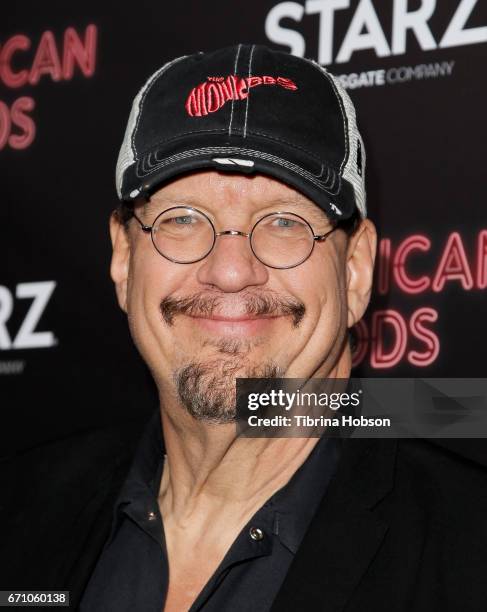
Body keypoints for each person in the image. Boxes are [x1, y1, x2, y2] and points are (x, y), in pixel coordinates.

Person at [2, 44, 486, 612]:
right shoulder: (18, 507)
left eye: (283, 221)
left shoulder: (469, 552)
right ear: (123, 259)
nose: (230, 272)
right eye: (181, 219)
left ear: (355, 271)